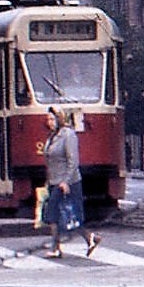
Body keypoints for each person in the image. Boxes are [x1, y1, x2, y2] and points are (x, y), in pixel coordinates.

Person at [42, 108, 101, 258]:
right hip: (54, 181)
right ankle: (89, 239)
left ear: (59, 119)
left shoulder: (68, 135)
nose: (48, 122)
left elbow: (73, 161)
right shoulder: (53, 137)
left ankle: (58, 247)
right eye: (47, 119)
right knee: (60, 215)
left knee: (61, 214)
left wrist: (66, 181)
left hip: (67, 182)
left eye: (51, 119)